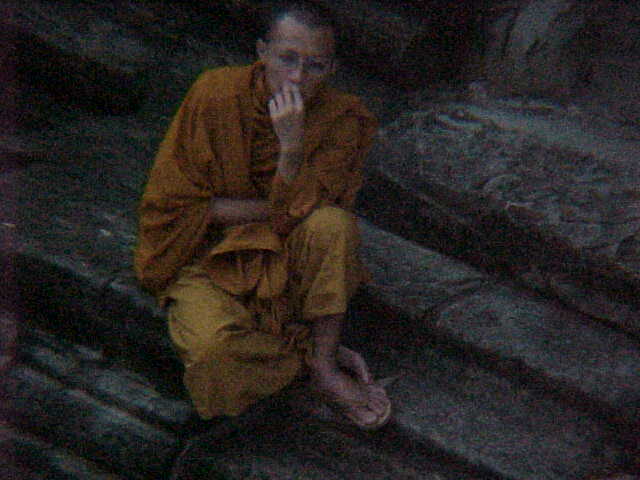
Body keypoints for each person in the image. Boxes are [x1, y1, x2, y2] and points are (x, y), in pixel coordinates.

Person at [134, 1, 391, 430]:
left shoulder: (344, 119)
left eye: (314, 66)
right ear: (262, 52)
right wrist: (280, 207)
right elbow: (178, 207)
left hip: (288, 252)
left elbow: (314, 213)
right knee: (215, 357)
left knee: (334, 226)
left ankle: (326, 367)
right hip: (206, 258)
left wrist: (290, 151)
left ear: (331, 70)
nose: (297, 77)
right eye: (287, 59)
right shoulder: (214, 94)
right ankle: (303, 358)